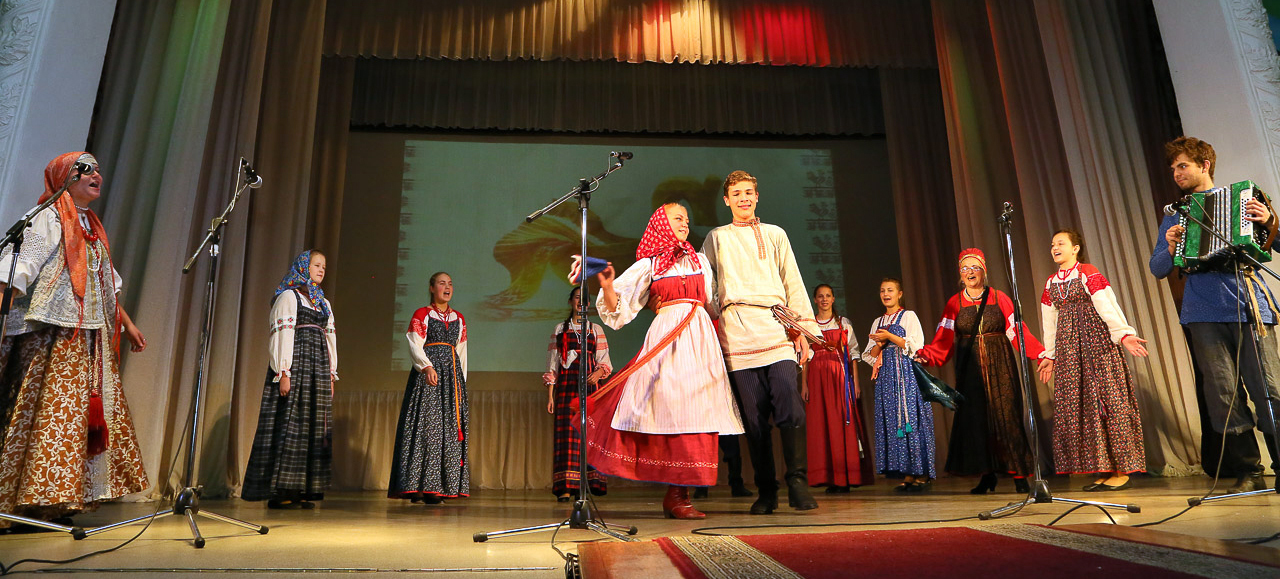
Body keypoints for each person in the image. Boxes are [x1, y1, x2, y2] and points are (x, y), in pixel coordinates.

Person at [0, 152, 148, 527]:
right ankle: (29, 499)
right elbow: (18, 268)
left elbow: (105, 283)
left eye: (98, 169)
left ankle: (59, 500)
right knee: (50, 414)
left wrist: (127, 324)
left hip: (87, 338)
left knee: (75, 419)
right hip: (51, 334)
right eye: (86, 169)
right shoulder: (48, 218)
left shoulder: (92, 226)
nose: (97, 174)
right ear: (65, 177)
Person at [582, 203, 744, 519]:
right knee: (670, 408)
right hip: (668, 338)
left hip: (699, 338)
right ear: (661, 224)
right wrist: (608, 286)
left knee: (698, 409)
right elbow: (618, 311)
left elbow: (712, 304)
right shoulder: (650, 265)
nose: (685, 223)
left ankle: (680, 495)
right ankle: (675, 494)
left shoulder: (699, 260)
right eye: (678, 218)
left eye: (687, 219)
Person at [1151, 136, 1280, 493]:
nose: (1176, 174)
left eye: (1183, 166)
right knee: (1223, 394)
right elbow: (1157, 268)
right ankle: (1248, 471)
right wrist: (1171, 247)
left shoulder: (1244, 200)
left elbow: (1276, 243)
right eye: (1173, 169)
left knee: (1269, 388)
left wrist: (1270, 221)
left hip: (1248, 305)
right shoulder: (1176, 215)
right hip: (1202, 311)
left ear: (1204, 165)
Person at [701, 170, 822, 514]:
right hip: (737, 333)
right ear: (726, 200)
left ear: (757, 196)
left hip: (775, 328)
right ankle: (767, 490)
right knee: (753, 419)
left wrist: (803, 331)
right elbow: (706, 284)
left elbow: (792, 281)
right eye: (736, 193)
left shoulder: (775, 233)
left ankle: (797, 481)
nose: (743, 198)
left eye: (748, 192)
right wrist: (711, 312)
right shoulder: (716, 237)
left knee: (789, 402)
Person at [917, 248, 1045, 494]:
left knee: (1008, 416)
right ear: (960, 274)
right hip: (970, 368)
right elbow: (943, 338)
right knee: (977, 420)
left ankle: (1019, 474)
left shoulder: (999, 297)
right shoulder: (954, 303)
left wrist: (1038, 353)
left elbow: (1017, 330)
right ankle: (987, 476)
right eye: (965, 268)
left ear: (984, 271)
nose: (970, 272)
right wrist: (926, 355)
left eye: (975, 267)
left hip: (1000, 364)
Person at [1038, 230, 1148, 492]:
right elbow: (1049, 322)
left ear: (1075, 248)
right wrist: (1050, 355)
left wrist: (1123, 334)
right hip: (1069, 350)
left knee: (1107, 401)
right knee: (1083, 406)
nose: (1055, 248)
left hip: (1096, 345)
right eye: (1052, 244)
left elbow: (1107, 305)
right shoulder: (1051, 283)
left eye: (1061, 243)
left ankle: (1121, 470)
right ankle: (1104, 468)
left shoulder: (1087, 272)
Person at [242, 250, 338, 508]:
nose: (321, 270)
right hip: (297, 364)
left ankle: (302, 488)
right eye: (316, 265)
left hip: (318, 367)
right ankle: (282, 490)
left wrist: (331, 374)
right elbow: (281, 334)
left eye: (324, 266)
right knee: (291, 421)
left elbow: (330, 338)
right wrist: (283, 372)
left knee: (312, 425)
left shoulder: (323, 303)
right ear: (304, 267)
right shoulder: (289, 296)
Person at [388, 272, 469, 503]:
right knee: (428, 429)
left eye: (450, 283)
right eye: (442, 283)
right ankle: (422, 486)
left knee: (448, 431)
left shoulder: (458, 318)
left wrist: (461, 383)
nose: (447, 287)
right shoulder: (423, 314)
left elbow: (461, 351)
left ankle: (443, 486)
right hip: (429, 375)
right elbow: (415, 344)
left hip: (451, 378)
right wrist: (426, 367)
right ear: (432, 288)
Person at [862, 278, 935, 491]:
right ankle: (907, 473)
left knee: (911, 418)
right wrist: (879, 344)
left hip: (906, 374)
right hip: (886, 377)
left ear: (899, 293)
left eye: (890, 290)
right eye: (882, 291)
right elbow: (871, 354)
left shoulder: (908, 316)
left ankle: (921, 473)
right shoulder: (878, 321)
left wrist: (889, 336)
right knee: (894, 421)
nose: (886, 294)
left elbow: (916, 346)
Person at [542, 287, 612, 502]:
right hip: (567, 387)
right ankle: (565, 486)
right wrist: (551, 395)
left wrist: (598, 373)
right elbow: (553, 364)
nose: (581, 303)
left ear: (588, 304)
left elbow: (604, 360)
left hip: (590, 390)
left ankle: (589, 485)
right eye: (577, 298)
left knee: (589, 434)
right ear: (570, 301)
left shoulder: (595, 329)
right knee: (567, 436)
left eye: (584, 300)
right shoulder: (560, 329)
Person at [803, 283, 874, 492]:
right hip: (816, 379)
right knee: (821, 425)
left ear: (833, 299)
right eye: (820, 296)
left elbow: (853, 354)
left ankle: (844, 477)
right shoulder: (809, 325)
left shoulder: (843, 323)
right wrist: (804, 384)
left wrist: (856, 383)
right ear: (815, 300)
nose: (824, 299)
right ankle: (828, 477)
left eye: (828, 295)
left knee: (840, 424)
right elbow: (805, 357)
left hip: (839, 379)